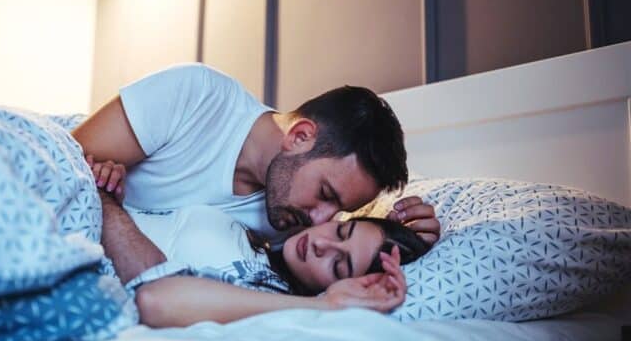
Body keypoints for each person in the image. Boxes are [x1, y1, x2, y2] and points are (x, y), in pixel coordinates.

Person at [73, 63, 440, 289]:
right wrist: (101, 181)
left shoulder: (294, 231)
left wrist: (406, 237)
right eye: (326, 193)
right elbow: (64, 166)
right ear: (300, 136)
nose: (321, 221)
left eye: (340, 212)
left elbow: (345, 255)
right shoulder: (196, 96)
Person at [120, 204, 428, 327]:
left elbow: (156, 301)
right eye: (340, 231)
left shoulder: (269, 292)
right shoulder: (267, 230)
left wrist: (329, 305)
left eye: (338, 265)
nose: (322, 245)